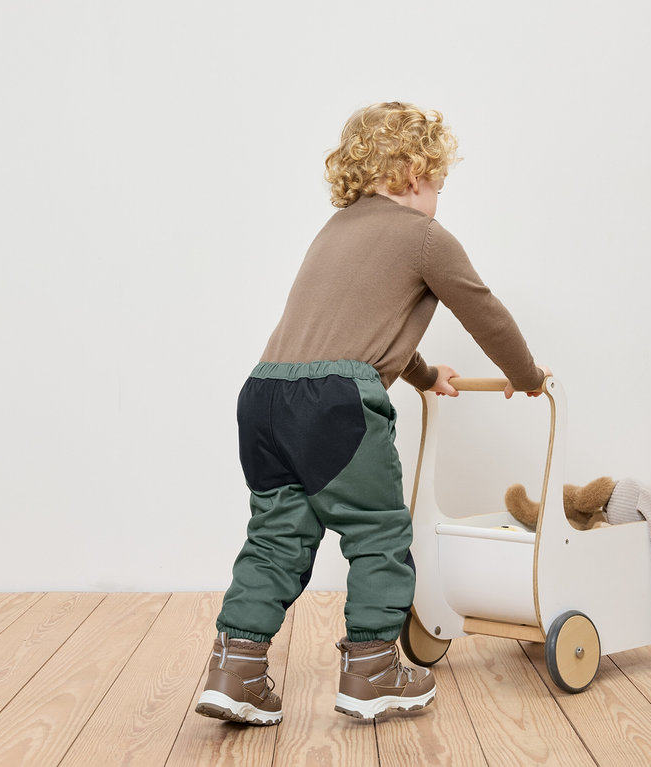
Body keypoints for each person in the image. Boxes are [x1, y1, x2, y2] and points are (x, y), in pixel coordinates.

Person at [194, 102, 550, 725]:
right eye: (439, 185)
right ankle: (372, 672)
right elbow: (481, 308)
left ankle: (236, 668)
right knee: (379, 534)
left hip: (264, 396)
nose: (439, 198)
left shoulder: (334, 231)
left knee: (277, 536)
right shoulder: (424, 236)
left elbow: (352, 329)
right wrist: (525, 376)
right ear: (415, 173)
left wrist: (423, 373)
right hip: (334, 406)